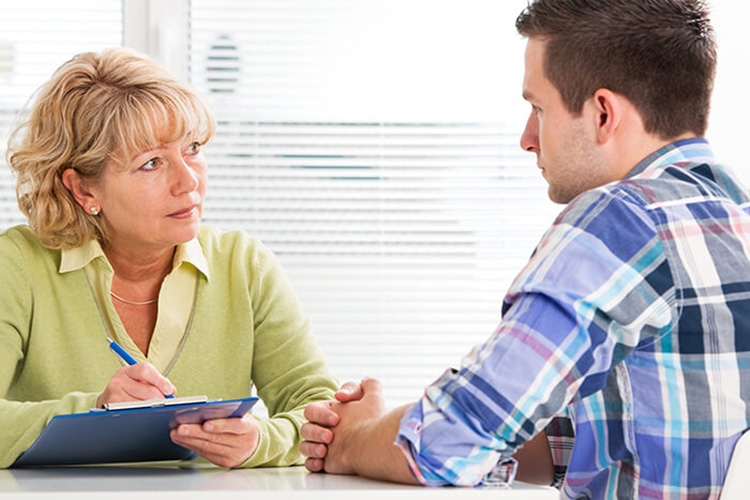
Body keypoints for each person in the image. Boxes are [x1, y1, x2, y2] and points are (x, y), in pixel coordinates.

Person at [299, 0, 750, 498]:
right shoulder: (733, 214)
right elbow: (641, 432)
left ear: (603, 113)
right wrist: (389, 429)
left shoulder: (621, 222)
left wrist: (352, 442)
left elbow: (447, 442)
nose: (527, 138)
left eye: (538, 107)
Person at [0, 47, 338, 469]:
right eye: (152, 163)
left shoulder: (244, 265)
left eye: (193, 147)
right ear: (84, 190)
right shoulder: (16, 265)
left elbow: (320, 410)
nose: (189, 180)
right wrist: (95, 410)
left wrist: (259, 442)